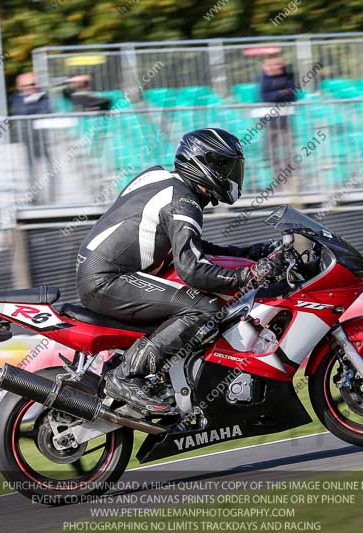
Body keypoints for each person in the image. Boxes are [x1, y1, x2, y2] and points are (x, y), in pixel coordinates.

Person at [76, 128, 285, 414]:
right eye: (224, 166)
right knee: (204, 307)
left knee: (186, 301)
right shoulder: (183, 202)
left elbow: (188, 246)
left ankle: (146, 372)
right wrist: (248, 277)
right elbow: (192, 269)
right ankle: (126, 376)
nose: (231, 175)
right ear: (202, 164)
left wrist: (246, 253)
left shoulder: (160, 178)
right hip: (109, 279)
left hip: (105, 273)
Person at [258, 56, 296, 188]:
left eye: (278, 65)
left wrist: (278, 93)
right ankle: (276, 182)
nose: (275, 68)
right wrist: (280, 93)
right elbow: (265, 96)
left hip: (286, 122)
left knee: (289, 152)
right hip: (270, 123)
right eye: (271, 65)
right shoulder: (264, 78)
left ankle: (291, 182)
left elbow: (292, 94)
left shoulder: (288, 76)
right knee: (271, 153)